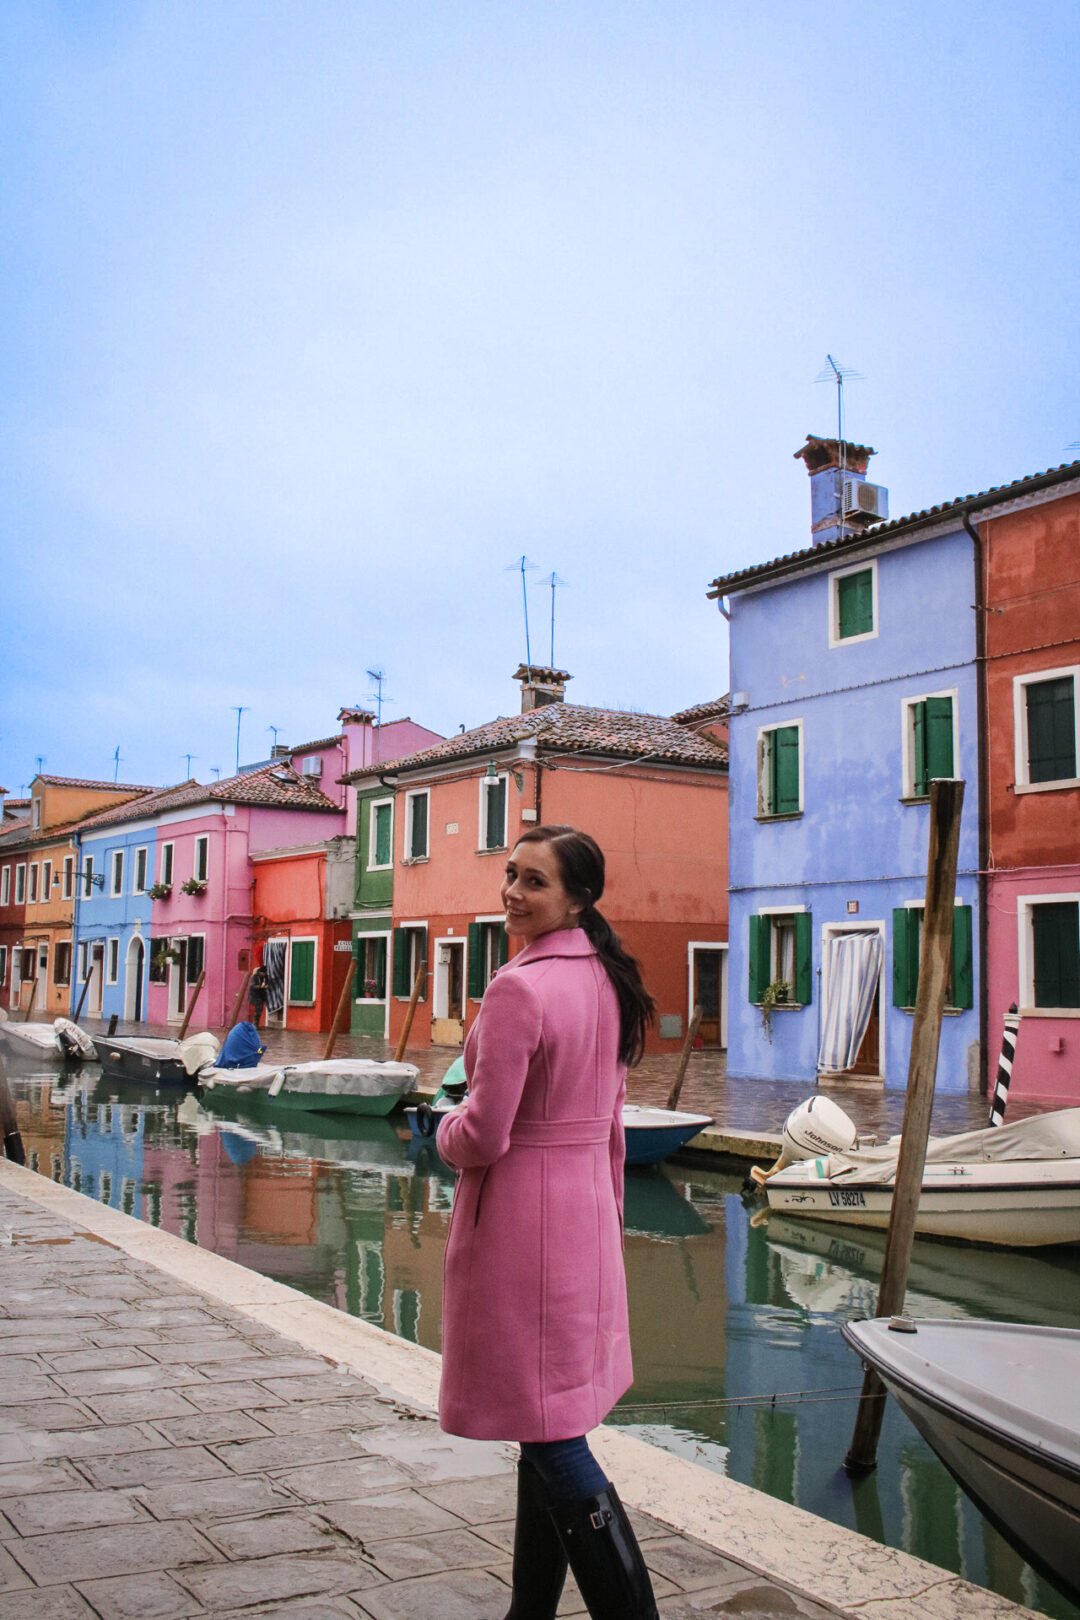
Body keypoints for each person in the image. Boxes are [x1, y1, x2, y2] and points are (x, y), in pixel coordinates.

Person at [436, 824, 659, 1619]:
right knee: (547, 1420)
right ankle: (526, 1615)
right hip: (583, 1219)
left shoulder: (517, 988)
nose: (512, 893)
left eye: (533, 881)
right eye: (510, 874)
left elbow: (484, 1134)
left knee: (554, 1436)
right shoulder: (606, 977)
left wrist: (438, 1128)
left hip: (522, 1227)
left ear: (577, 898)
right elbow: (611, 1120)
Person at [248, 963, 268, 1028]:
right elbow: (252, 986)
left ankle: (256, 1024)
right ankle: (255, 1025)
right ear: (260, 972)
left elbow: (267, 983)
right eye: (263, 973)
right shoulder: (254, 977)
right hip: (255, 996)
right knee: (257, 1011)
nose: (264, 974)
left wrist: (266, 986)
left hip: (262, 996)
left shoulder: (265, 977)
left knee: (259, 1010)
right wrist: (260, 987)